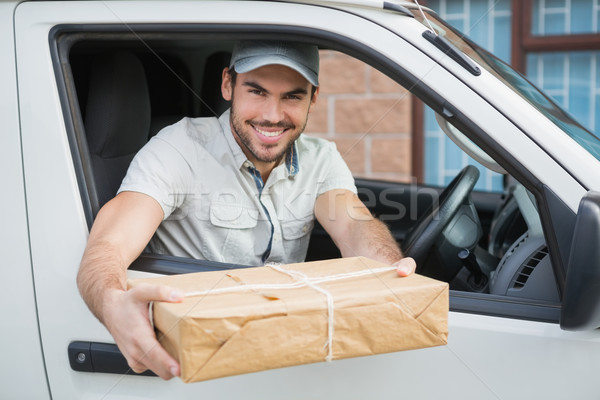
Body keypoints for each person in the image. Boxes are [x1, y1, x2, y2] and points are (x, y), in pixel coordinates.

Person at [77, 40, 417, 380]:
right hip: (198, 361)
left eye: (292, 97)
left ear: (313, 98)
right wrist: (111, 303)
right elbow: (108, 245)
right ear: (228, 84)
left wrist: (389, 268)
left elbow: (354, 224)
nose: (272, 115)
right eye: (257, 92)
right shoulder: (178, 149)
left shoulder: (322, 158)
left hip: (280, 355)